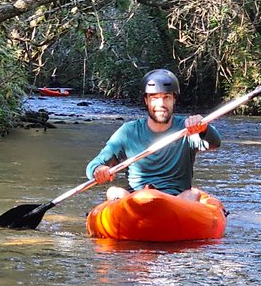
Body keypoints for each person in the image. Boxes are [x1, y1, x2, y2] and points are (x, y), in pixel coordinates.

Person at [86, 68, 221, 202]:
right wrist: (98, 169)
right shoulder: (128, 132)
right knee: (114, 192)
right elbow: (95, 163)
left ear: (174, 99)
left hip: (176, 202)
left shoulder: (188, 129)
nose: (161, 104)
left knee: (192, 194)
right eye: (155, 98)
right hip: (137, 200)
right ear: (146, 100)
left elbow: (215, 142)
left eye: (166, 97)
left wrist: (203, 128)